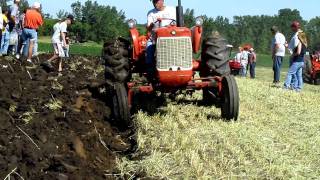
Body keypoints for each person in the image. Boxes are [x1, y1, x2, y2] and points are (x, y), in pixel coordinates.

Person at [146, 0, 176, 77]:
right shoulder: (151, 13)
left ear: (162, 1)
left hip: (171, 39)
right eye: (153, 1)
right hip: (155, 39)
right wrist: (151, 25)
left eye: (156, 1)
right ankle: (150, 71)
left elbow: (177, 24)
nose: (154, 3)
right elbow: (149, 28)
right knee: (149, 48)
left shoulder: (172, 10)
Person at [284, 21, 308, 92]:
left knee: (290, 73)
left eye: (292, 27)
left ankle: (286, 87)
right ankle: (298, 88)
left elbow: (298, 52)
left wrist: (292, 55)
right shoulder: (303, 37)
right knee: (298, 75)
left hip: (297, 59)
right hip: (301, 60)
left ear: (294, 27)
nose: (291, 29)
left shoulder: (298, 38)